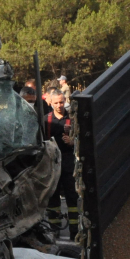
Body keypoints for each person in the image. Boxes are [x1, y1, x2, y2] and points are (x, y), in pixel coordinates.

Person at [44, 91, 78, 238]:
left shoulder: (73, 119)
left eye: (61, 102)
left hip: (68, 162)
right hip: (52, 163)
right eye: (56, 103)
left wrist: (73, 142)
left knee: (72, 196)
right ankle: (54, 229)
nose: (59, 105)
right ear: (50, 103)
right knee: (53, 197)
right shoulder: (45, 121)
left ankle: (75, 231)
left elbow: (83, 140)